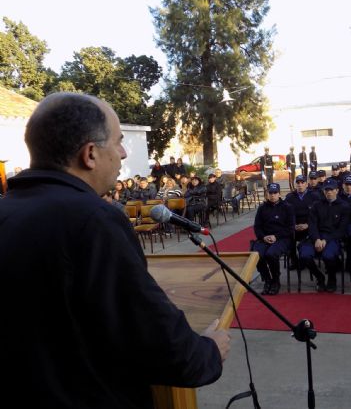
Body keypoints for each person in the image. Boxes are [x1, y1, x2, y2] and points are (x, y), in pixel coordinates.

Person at [0, 92, 229, 408]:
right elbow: (155, 340)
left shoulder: (7, 211)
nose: (123, 153)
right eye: (118, 141)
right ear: (90, 154)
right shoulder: (93, 219)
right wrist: (208, 352)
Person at [298, 178, 349, 292]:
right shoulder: (316, 205)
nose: (328, 192)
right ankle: (319, 277)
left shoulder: (344, 206)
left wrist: (325, 240)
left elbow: (341, 229)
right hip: (315, 237)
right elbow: (312, 224)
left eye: (331, 190)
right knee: (304, 255)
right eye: (326, 190)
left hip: (332, 238)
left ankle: (332, 278)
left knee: (329, 256)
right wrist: (316, 239)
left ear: (337, 190)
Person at [253, 183, 295, 295]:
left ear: (279, 194)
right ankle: (267, 280)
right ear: (267, 194)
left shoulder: (287, 207)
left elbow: (290, 228)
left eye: (275, 193)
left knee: (271, 254)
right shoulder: (262, 208)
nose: (272, 195)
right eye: (270, 193)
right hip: (265, 238)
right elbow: (257, 227)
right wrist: (263, 237)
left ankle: (276, 281)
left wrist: (276, 236)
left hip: (282, 238)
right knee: (256, 255)